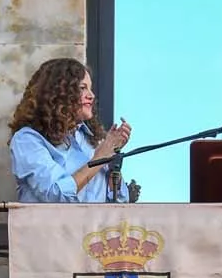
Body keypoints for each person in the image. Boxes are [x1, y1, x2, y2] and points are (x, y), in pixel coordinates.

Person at [8, 58, 132, 203]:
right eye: (82, 88)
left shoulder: (93, 140)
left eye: (90, 88)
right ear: (57, 93)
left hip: (97, 226)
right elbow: (57, 194)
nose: (91, 95)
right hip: (49, 226)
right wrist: (101, 156)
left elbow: (120, 203)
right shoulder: (27, 140)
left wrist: (113, 162)